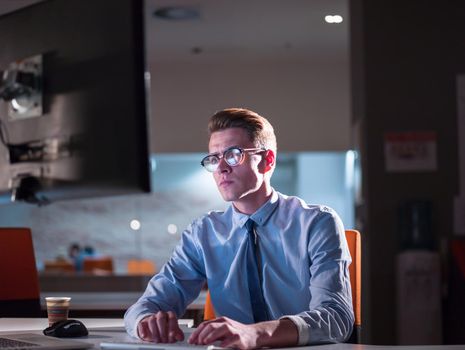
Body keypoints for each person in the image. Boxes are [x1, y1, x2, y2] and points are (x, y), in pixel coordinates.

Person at [124, 108, 354, 349]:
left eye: (233, 155)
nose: (221, 167)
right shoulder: (203, 233)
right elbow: (144, 306)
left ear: (267, 161)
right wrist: (146, 321)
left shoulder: (317, 223)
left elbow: (336, 318)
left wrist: (255, 334)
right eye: (214, 158)